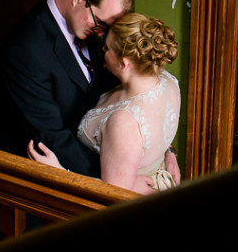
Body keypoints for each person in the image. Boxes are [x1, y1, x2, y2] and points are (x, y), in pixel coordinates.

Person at [0, 0, 179, 187]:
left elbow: (135, 96)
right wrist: (122, 179)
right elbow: (52, 137)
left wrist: (164, 152)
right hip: (40, 178)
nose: (103, 35)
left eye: (110, 27)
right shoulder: (26, 50)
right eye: (100, 23)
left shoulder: (94, 25)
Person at [28, 13, 181, 194]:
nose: (102, 54)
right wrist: (169, 153)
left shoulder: (124, 121)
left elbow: (112, 195)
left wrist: (59, 172)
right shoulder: (168, 81)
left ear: (124, 63)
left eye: (106, 49)